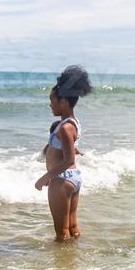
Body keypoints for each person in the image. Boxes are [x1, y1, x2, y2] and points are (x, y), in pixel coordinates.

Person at [34, 65, 93, 241]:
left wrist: (46, 177)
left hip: (62, 180)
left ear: (64, 102)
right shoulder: (72, 123)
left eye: (52, 100)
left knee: (61, 233)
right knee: (72, 226)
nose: (50, 104)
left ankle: (63, 266)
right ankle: (74, 260)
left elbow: (68, 159)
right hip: (72, 177)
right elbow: (68, 149)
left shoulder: (65, 127)